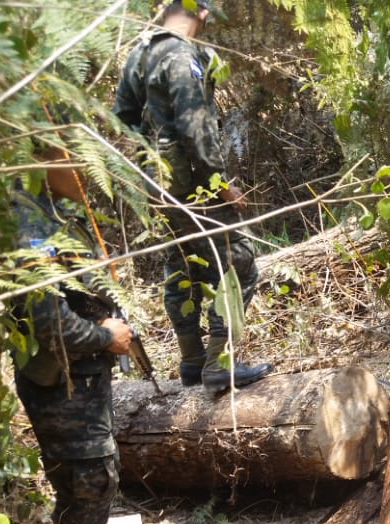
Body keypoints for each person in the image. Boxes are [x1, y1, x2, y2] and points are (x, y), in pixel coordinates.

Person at [9, 152, 154, 524]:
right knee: (89, 479)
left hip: (81, 378)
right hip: (61, 382)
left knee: (87, 477)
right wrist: (104, 337)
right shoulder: (26, 222)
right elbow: (50, 323)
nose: (86, 175)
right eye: (74, 162)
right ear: (43, 161)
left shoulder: (51, 211)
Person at [113, 0, 270, 393]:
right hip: (192, 184)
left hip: (157, 183)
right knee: (237, 263)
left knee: (182, 263)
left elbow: (123, 120)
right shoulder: (182, 54)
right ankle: (220, 362)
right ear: (201, 11)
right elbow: (194, 124)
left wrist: (151, 163)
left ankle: (192, 360)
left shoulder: (140, 52)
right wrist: (219, 183)